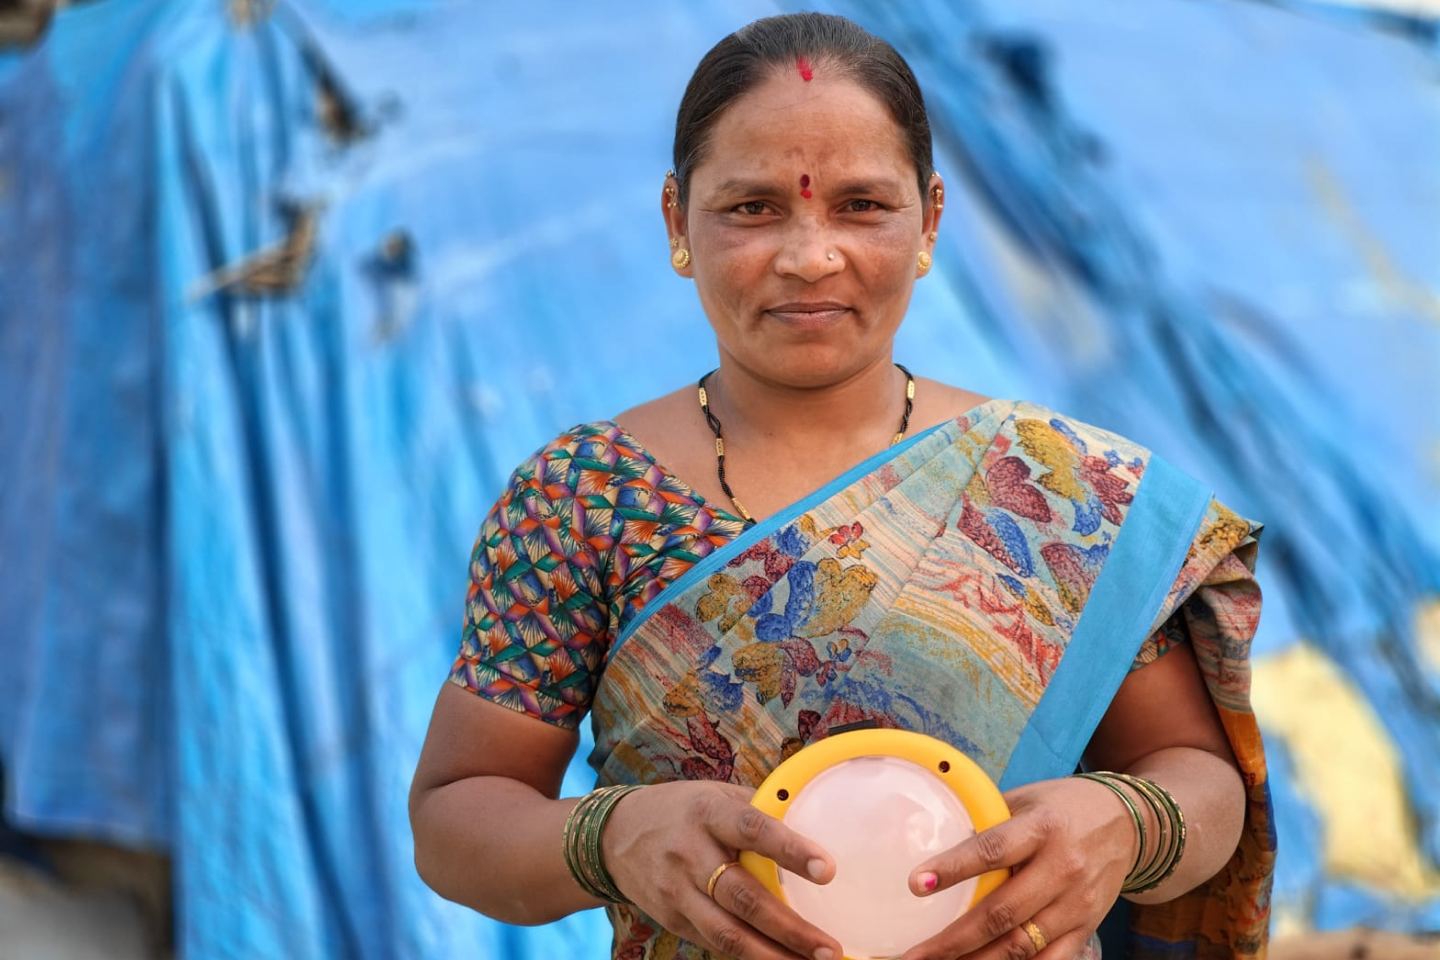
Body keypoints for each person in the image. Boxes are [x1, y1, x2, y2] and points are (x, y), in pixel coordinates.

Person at [410, 13, 1273, 960]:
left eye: (861, 205)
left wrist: (1120, 822)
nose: (810, 255)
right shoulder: (586, 498)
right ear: (676, 221)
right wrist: (610, 836)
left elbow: (1197, 777)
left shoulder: (1061, 488)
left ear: (930, 219)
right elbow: (459, 814)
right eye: (753, 207)